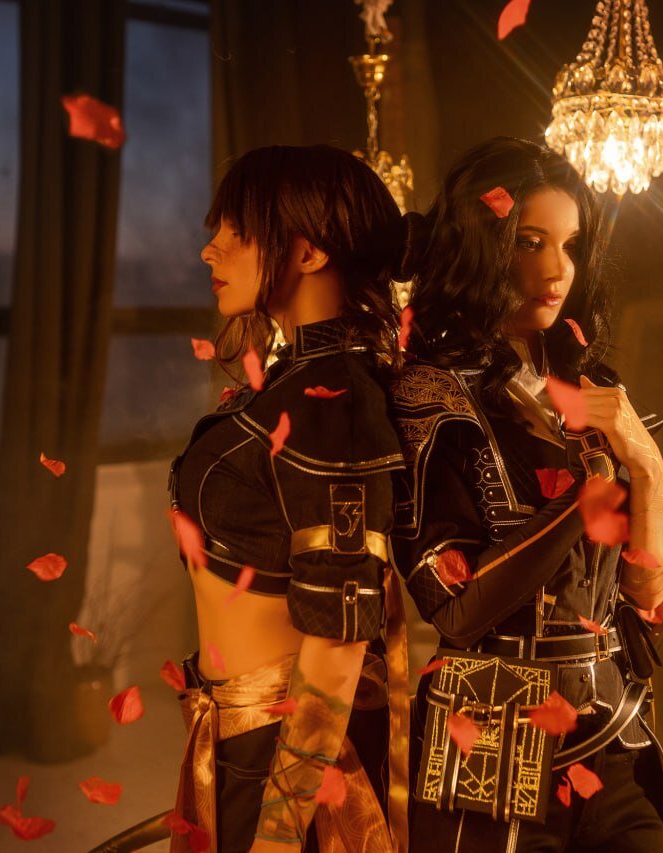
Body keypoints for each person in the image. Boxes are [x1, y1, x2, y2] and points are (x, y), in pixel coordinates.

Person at [389, 137, 663, 852]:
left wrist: (646, 463)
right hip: (488, 745)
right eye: (530, 242)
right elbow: (454, 608)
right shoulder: (429, 395)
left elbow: (649, 588)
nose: (557, 270)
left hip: (612, 729)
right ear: (480, 245)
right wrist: (586, 497)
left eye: (571, 245)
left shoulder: (596, 385)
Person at [166, 145, 409, 853]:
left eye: (236, 231)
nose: (210, 249)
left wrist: (277, 830)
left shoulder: (332, 401)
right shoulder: (295, 380)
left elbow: (339, 638)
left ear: (307, 252)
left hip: (291, 753)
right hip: (241, 735)